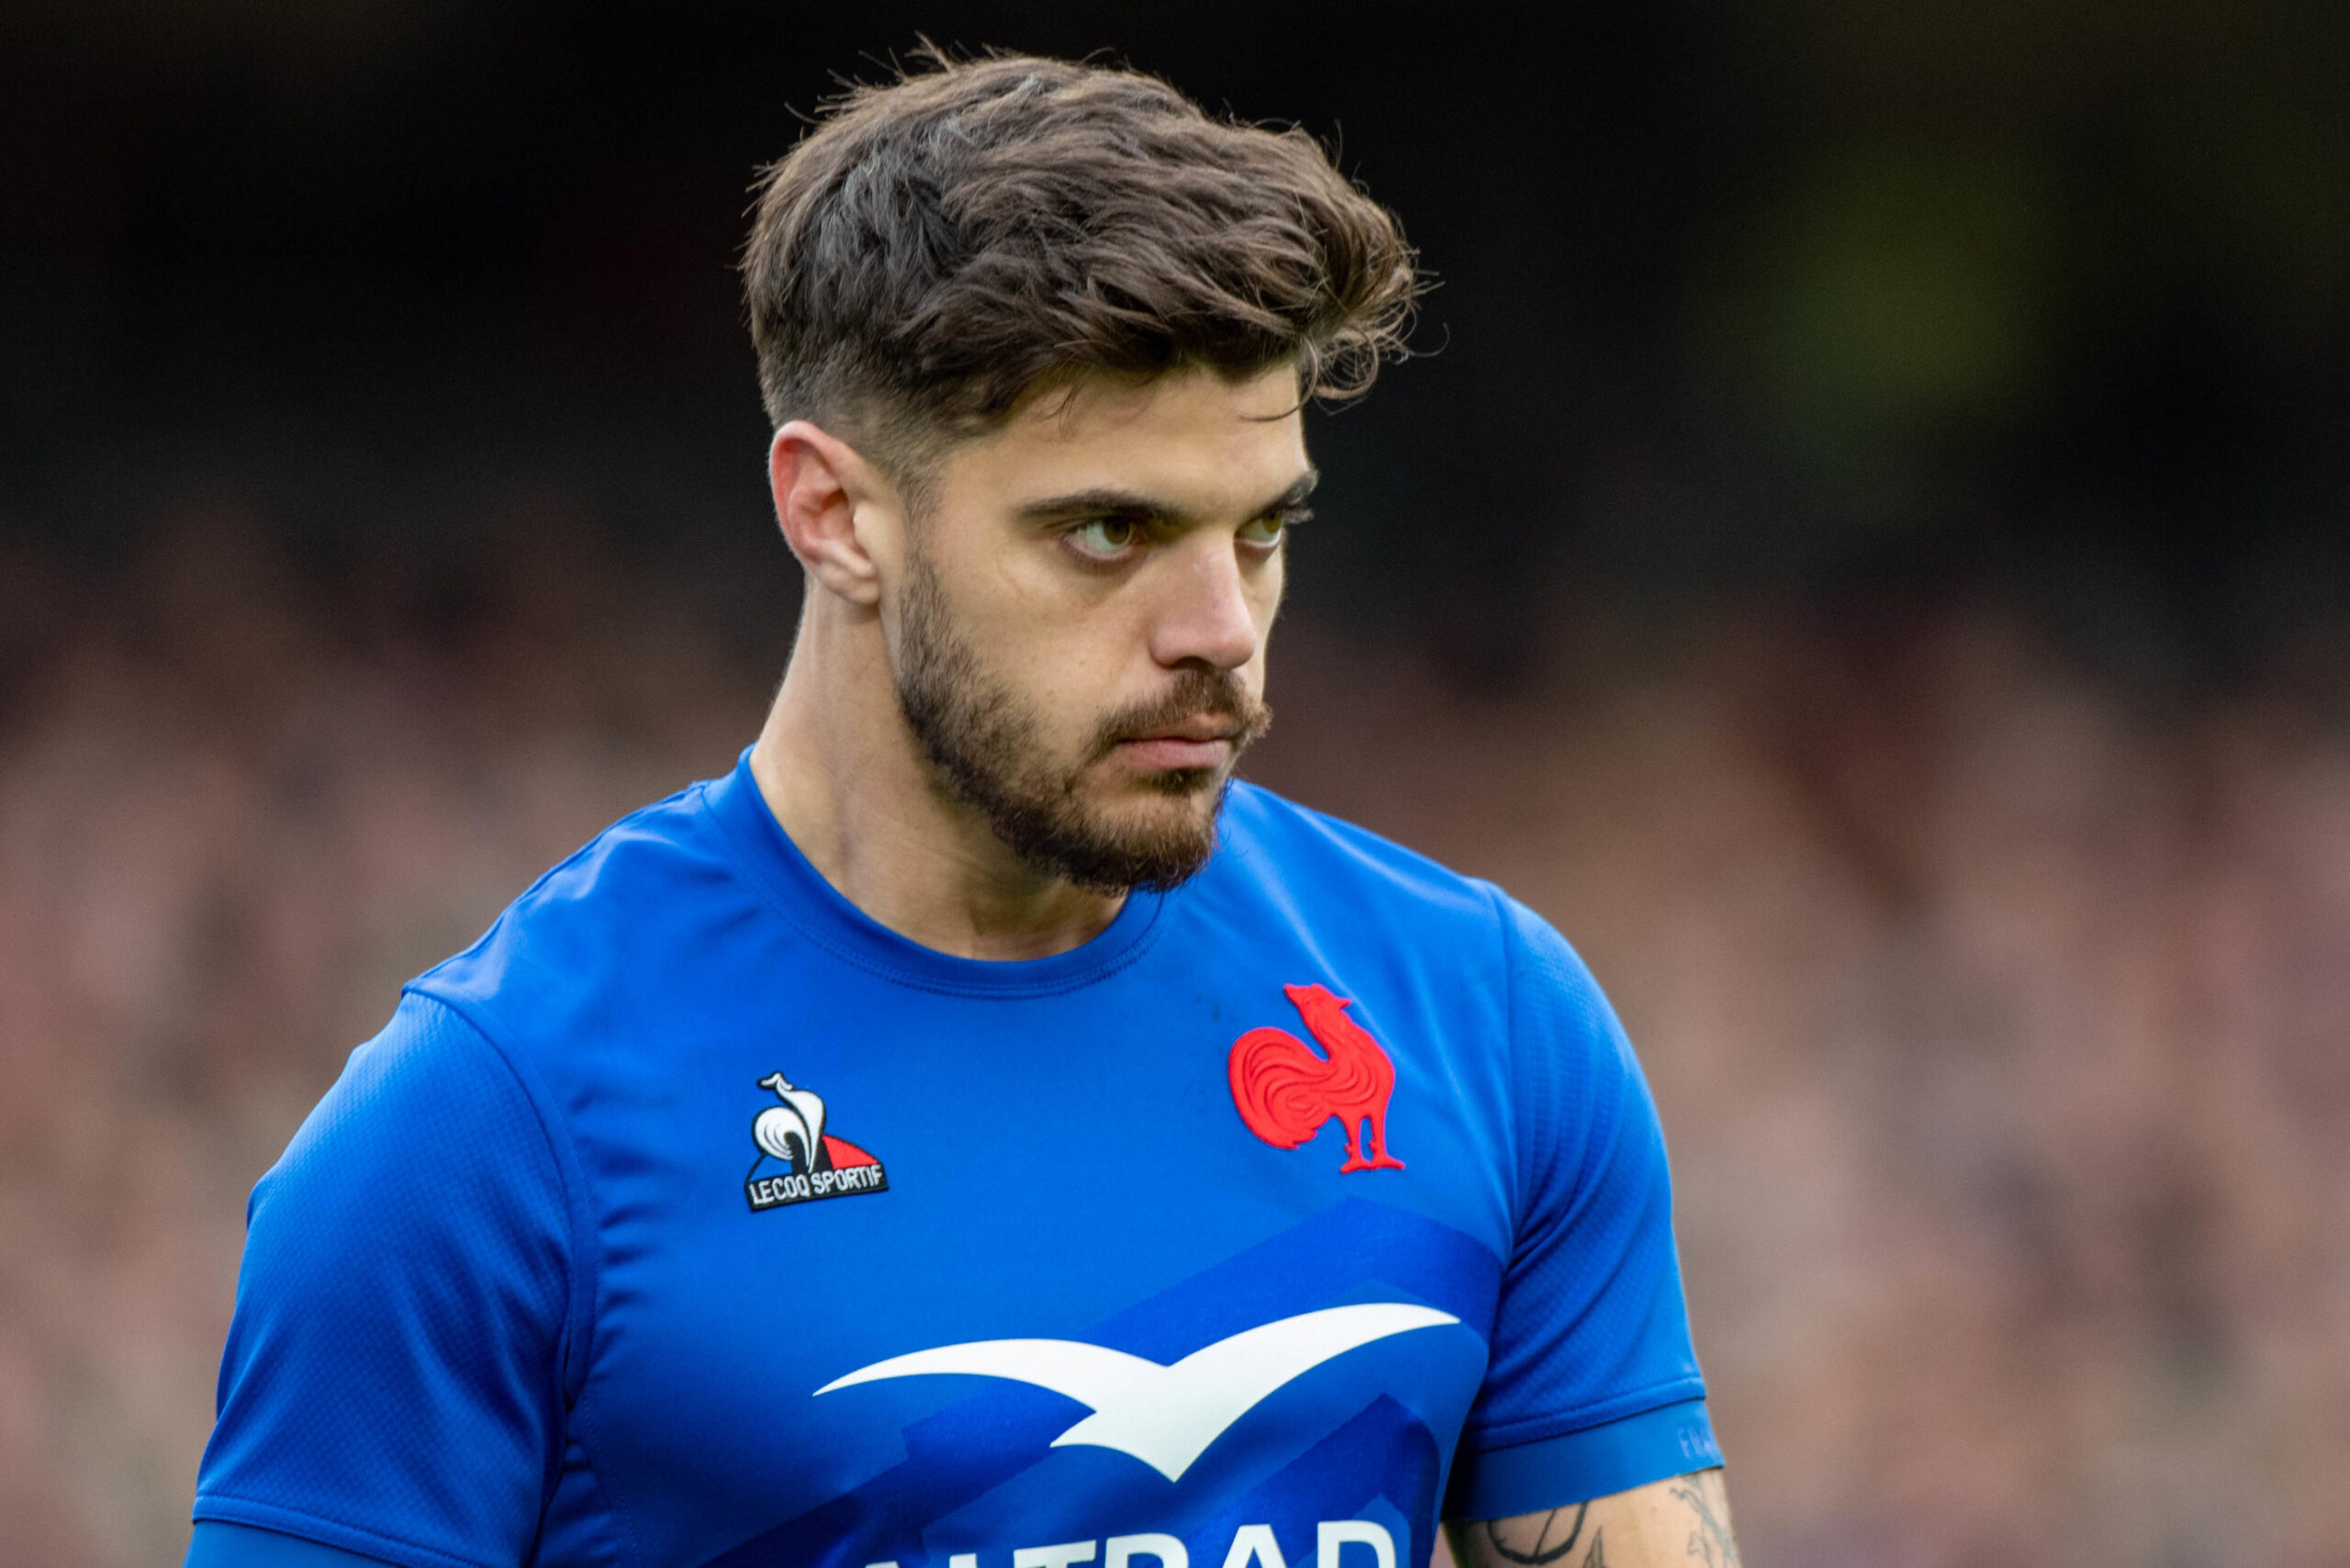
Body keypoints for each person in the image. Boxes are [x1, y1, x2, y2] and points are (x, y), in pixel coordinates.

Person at [185, 50, 1740, 1568]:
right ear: (833, 514)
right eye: (1109, 531)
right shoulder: (489, 1133)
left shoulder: (1482, 1018)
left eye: (1262, 531)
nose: (1223, 629)